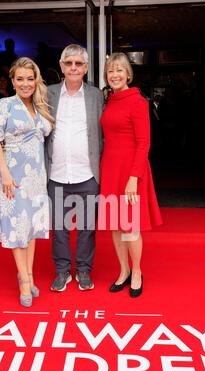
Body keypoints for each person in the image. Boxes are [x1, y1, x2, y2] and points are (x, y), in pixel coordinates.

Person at [0, 57, 54, 307]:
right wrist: (4, 171)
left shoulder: (40, 106)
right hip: (12, 176)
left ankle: (28, 274)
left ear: (36, 81)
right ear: (12, 81)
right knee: (17, 228)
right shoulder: (5, 105)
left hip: (36, 178)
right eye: (20, 79)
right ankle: (25, 281)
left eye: (30, 78)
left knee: (32, 228)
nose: (25, 84)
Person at [99, 52, 162, 298]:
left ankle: (137, 271)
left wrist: (134, 178)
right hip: (111, 167)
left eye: (119, 70)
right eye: (110, 71)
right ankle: (123, 270)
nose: (114, 75)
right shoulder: (110, 100)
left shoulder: (138, 101)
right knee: (116, 225)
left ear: (128, 74)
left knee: (130, 226)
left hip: (131, 170)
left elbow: (144, 142)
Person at [46, 44, 104, 292]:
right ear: (61, 66)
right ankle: (62, 271)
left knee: (87, 228)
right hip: (56, 173)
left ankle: (83, 270)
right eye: (68, 63)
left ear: (86, 67)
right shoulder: (47, 93)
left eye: (78, 63)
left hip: (87, 173)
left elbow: (103, 133)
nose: (73, 68)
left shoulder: (96, 96)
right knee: (59, 228)